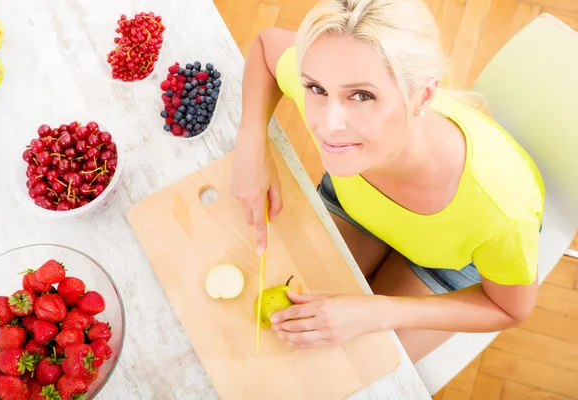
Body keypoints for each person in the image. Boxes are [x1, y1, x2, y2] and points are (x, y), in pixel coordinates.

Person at [230, 0, 545, 363]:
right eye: (316, 88)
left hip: (450, 259)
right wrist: (252, 145)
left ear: (423, 95)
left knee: (345, 369)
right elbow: (267, 47)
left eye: (362, 95)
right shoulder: (339, 106)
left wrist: (378, 311)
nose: (328, 126)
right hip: (359, 207)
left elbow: (509, 308)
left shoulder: (502, 212)